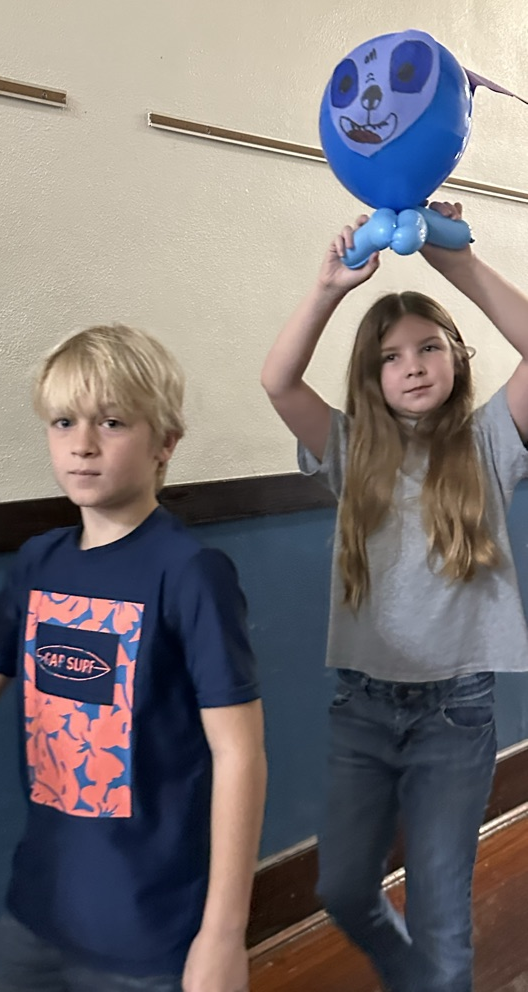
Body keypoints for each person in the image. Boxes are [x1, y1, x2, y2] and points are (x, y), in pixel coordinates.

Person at [0, 323, 267, 992]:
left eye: (113, 422)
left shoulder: (190, 573)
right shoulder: (39, 561)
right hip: (39, 913)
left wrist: (222, 936)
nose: (83, 444)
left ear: (166, 443)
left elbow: (240, 755)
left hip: (153, 930)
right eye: (64, 421)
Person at [260, 201, 528, 992]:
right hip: (364, 709)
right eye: (390, 357)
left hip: (457, 713)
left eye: (429, 348)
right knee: (343, 888)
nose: (412, 364)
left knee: (443, 910)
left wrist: (460, 265)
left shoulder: (488, 440)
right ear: (370, 377)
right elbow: (277, 381)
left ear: (455, 357)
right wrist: (326, 290)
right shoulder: (350, 448)